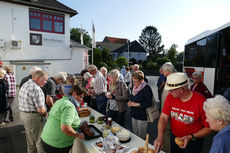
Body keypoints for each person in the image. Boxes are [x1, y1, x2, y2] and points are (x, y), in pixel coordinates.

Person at [154, 72, 212, 153]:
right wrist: (160, 137)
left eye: (171, 90)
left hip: (193, 141)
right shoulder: (170, 97)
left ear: (181, 90)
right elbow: (163, 117)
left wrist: (191, 137)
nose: (169, 92)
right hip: (175, 138)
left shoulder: (200, 101)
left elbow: (209, 127)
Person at [41, 85, 85, 153]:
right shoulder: (69, 106)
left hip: (47, 139)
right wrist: (78, 135)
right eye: (81, 97)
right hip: (57, 144)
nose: (81, 100)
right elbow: (65, 128)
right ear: (74, 94)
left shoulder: (61, 101)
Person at [18, 70, 48, 153]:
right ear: (38, 78)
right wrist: (47, 115)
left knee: (30, 141)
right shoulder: (37, 89)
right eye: (44, 80)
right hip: (33, 117)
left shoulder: (25, 84)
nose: (45, 82)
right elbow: (41, 109)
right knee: (40, 141)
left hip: (23, 115)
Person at [127, 70, 152, 139]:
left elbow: (149, 103)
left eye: (136, 81)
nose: (134, 83)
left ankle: (141, 149)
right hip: (134, 114)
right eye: (133, 81)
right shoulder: (134, 87)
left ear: (141, 80)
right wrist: (130, 101)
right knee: (135, 134)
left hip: (142, 116)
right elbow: (132, 97)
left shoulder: (146, 88)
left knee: (141, 136)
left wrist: (137, 104)